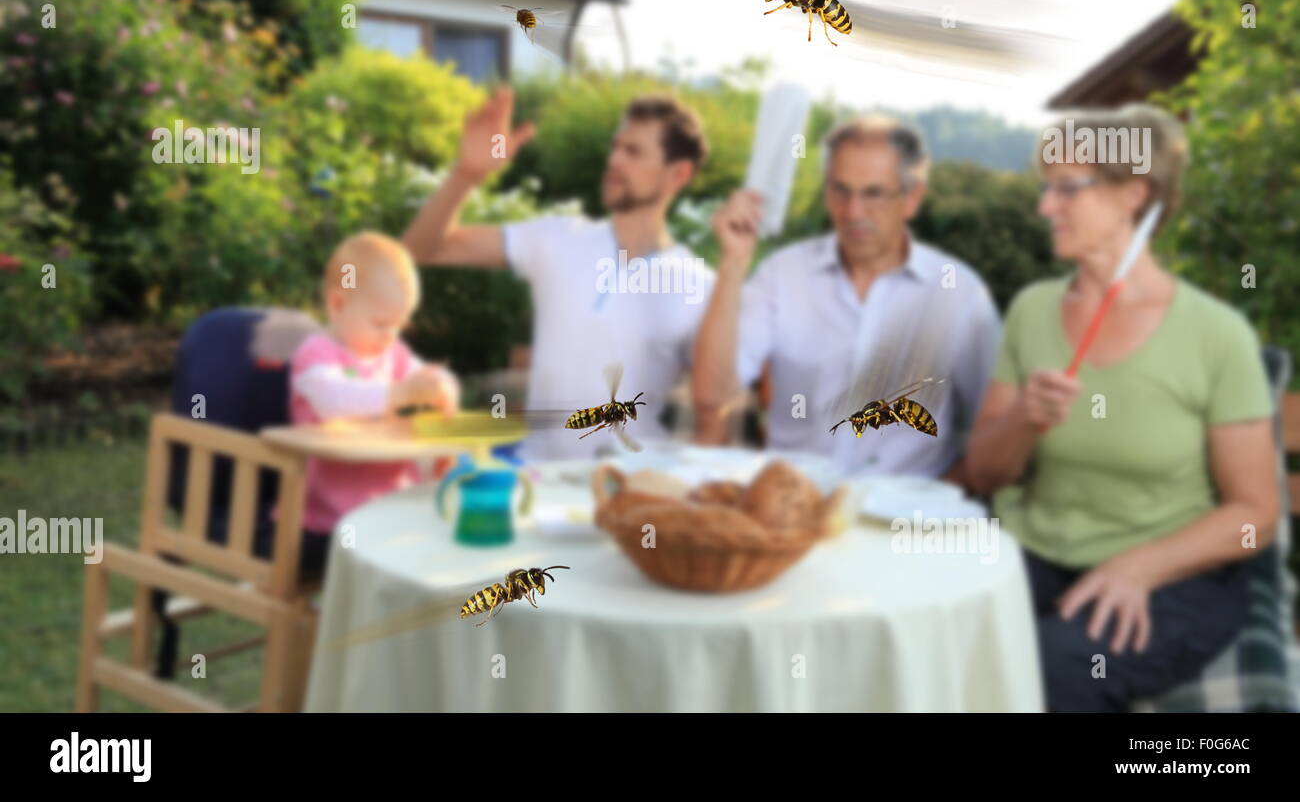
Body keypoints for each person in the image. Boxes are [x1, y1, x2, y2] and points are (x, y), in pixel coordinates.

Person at [964, 105, 1280, 712]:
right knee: (936, 633)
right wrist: (1024, 420)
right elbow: (984, 473)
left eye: (1066, 189)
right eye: (1044, 188)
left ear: (1134, 194)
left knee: (1053, 670)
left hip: (1175, 577)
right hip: (1035, 552)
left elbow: (1256, 514)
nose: (1044, 207)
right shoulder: (1033, 311)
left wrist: (1142, 567)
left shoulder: (1216, 335)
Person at [402, 89, 716, 459]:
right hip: (538, 477)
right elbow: (422, 249)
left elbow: (716, 407)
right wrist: (465, 176)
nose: (614, 159)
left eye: (633, 152)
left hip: (630, 488)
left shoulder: (702, 286)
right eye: (615, 147)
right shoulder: (558, 238)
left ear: (678, 174)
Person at [692, 115, 1000, 479]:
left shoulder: (959, 295)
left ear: (912, 198)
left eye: (873, 194)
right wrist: (733, 262)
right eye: (841, 191)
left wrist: (934, 503)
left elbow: (993, 429)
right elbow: (712, 394)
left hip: (901, 523)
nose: (853, 212)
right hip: (793, 511)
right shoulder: (783, 275)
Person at [289, 232, 460, 573]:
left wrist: (441, 389)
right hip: (329, 518)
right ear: (338, 305)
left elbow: (426, 380)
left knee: (449, 546)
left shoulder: (393, 357)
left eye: (398, 325)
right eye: (381, 324)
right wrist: (398, 394)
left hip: (393, 508)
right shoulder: (316, 357)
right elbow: (334, 401)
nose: (390, 336)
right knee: (411, 560)